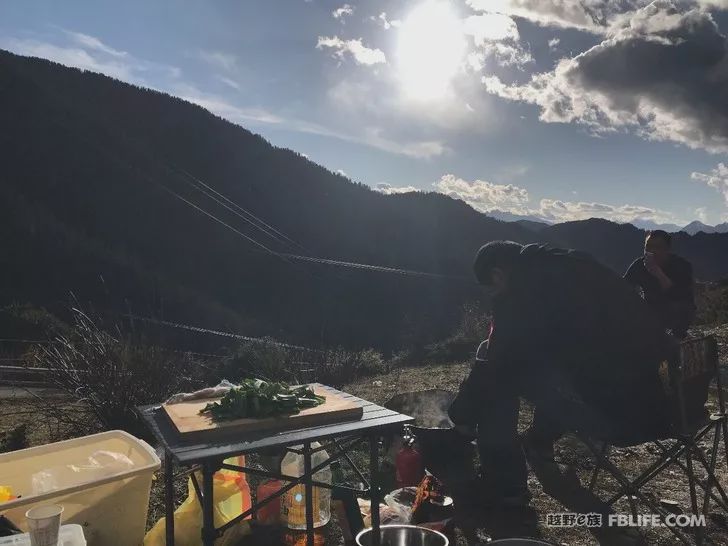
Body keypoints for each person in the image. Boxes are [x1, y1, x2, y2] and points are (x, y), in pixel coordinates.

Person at [448, 241, 674, 507]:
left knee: (501, 379)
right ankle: (540, 441)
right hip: (661, 405)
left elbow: (498, 360)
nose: (493, 297)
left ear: (498, 275)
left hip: (618, 417)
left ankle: (505, 487)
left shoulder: (522, 294)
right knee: (548, 366)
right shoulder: (572, 261)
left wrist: (460, 417)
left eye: (491, 290)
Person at [624, 230, 695, 339]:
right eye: (648, 247)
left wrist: (658, 273)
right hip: (650, 308)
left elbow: (682, 296)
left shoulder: (682, 266)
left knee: (684, 307)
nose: (652, 251)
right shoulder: (639, 265)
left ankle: (678, 338)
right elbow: (624, 287)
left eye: (658, 247)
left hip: (676, 309)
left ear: (667, 249)